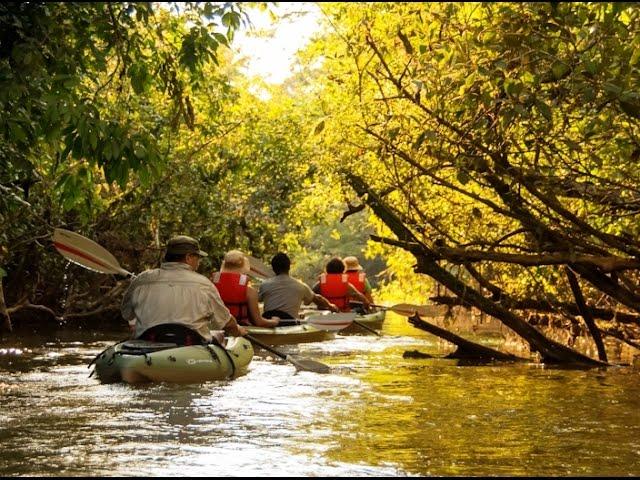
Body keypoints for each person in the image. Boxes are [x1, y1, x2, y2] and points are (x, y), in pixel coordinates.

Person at [121, 235, 247, 345]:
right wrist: (237, 329)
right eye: (197, 257)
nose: (199, 262)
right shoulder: (204, 284)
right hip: (188, 344)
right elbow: (225, 321)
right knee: (218, 336)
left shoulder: (142, 279)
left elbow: (127, 314)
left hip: (147, 342)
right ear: (188, 258)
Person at [258, 252, 339, 324]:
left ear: (273, 268)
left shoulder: (264, 285)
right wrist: (330, 306)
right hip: (289, 323)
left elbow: (257, 300)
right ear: (289, 267)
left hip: (268, 321)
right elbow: (318, 299)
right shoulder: (300, 286)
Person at [211, 250, 279, 328]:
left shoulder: (210, 285)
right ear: (245, 267)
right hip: (241, 332)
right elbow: (259, 322)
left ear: (223, 265)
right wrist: (274, 321)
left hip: (216, 329)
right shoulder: (250, 292)